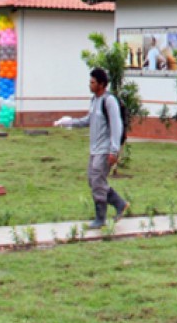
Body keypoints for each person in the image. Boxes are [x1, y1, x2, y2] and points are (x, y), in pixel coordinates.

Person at [54, 68, 128, 229]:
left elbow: (117, 126)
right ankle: (119, 203)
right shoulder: (95, 100)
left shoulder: (109, 101)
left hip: (105, 149)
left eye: (93, 82)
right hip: (95, 149)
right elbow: (89, 120)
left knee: (97, 180)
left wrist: (114, 150)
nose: (90, 85)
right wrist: (69, 122)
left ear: (101, 84)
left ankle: (100, 218)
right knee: (93, 180)